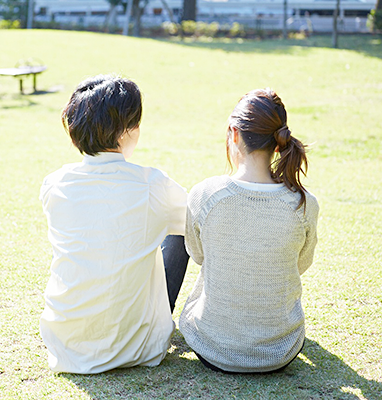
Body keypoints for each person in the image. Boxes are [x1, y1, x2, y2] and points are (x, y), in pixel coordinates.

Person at [39, 75, 190, 374]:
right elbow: (200, 224)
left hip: (67, 347)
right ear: (127, 131)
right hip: (139, 348)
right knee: (180, 233)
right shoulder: (152, 184)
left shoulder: (55, 183)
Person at [179, 88, 319, 374]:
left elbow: (198, 255)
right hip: (280, 352)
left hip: (211, 348)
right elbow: (300, 265)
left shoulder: (204, 194)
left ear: (234, 133)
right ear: (279, 143)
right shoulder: (304, 203)